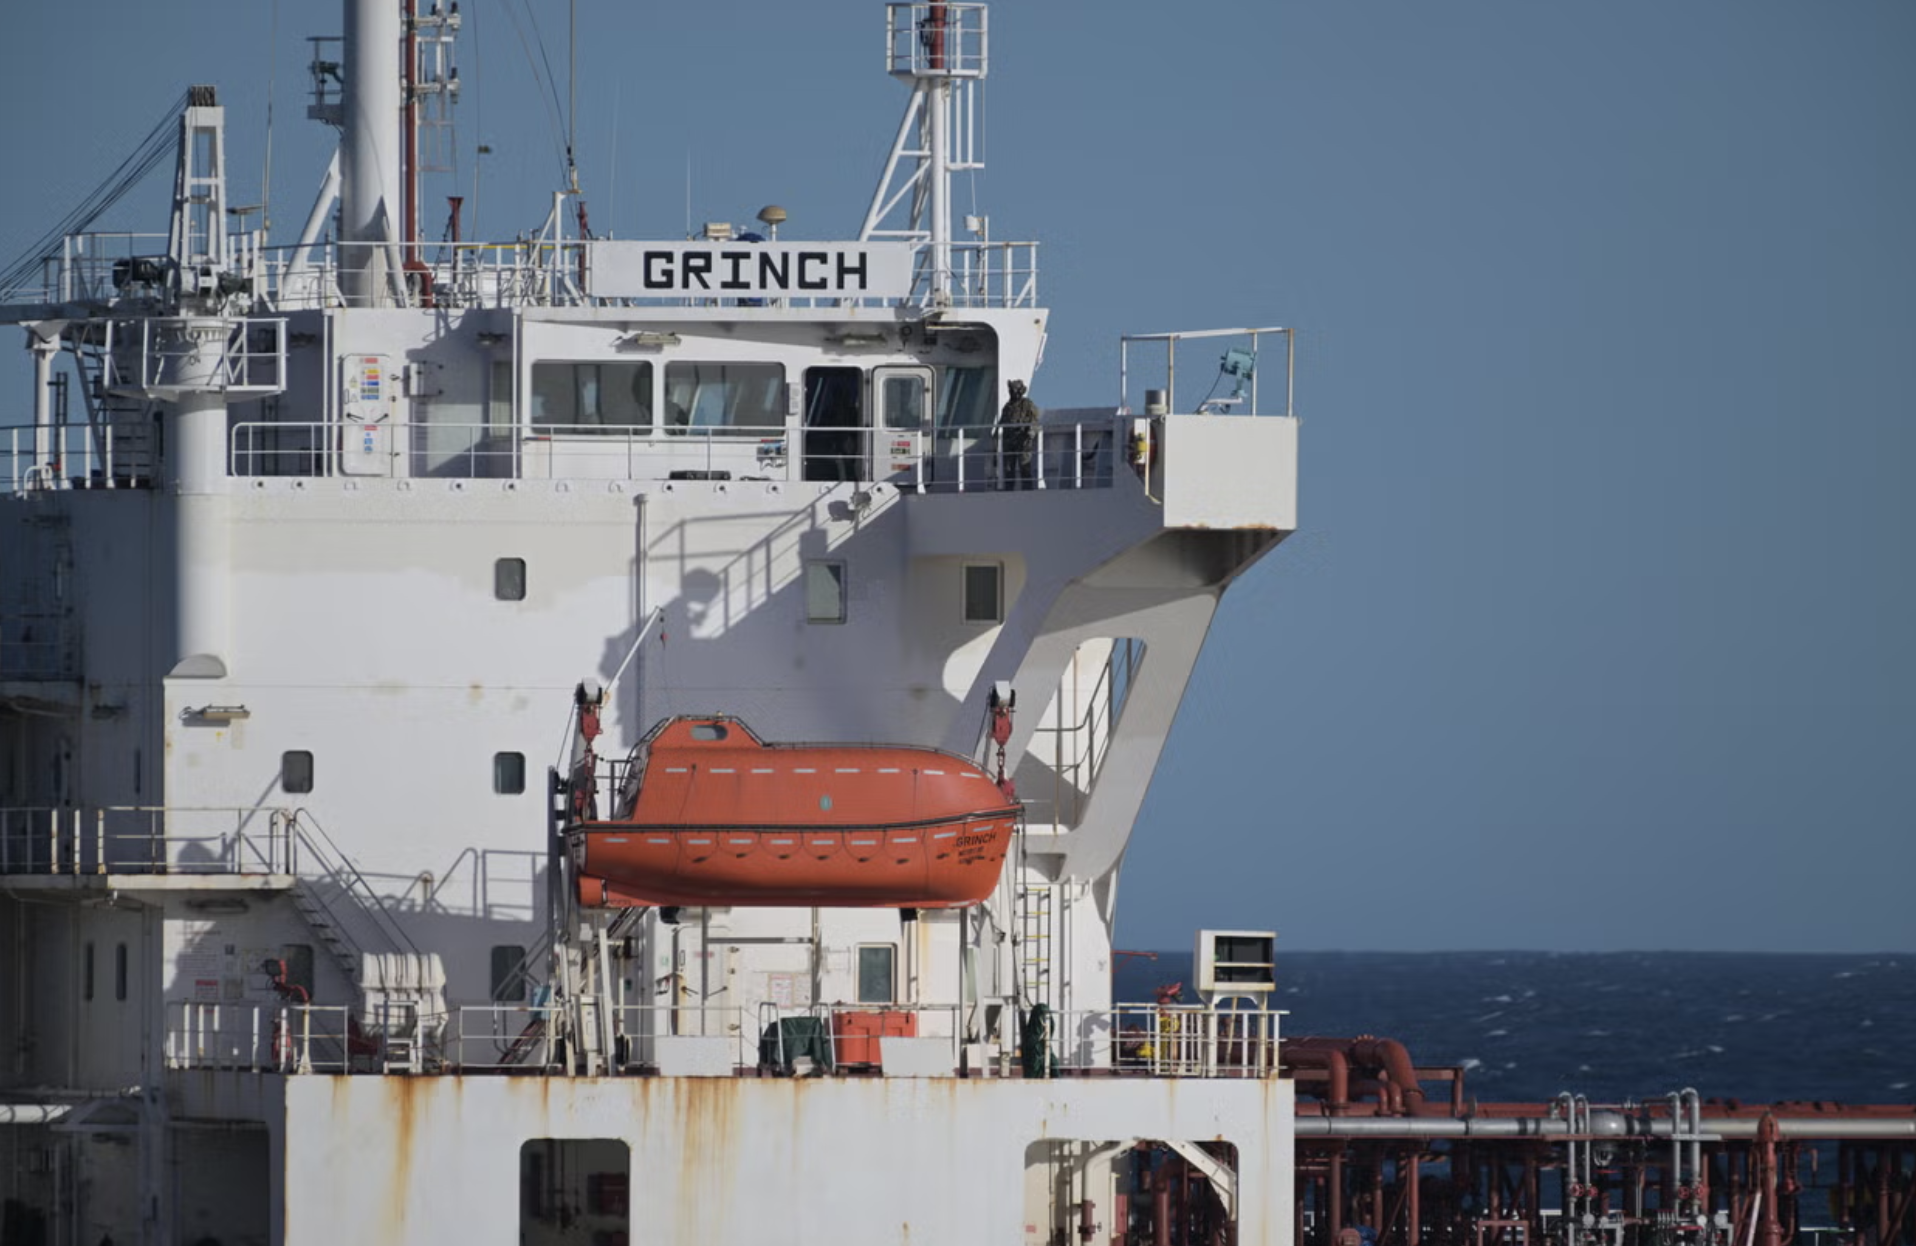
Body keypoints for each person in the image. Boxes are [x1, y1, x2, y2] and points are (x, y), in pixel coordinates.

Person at [998, 379, 1040, 490]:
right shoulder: (1007, 408)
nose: (1011, 392)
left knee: (1024, 467)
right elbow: (1001, 424)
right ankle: (1009, 491)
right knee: (1008, 469)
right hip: (1009, 442)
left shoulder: (1027, 404)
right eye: (1010, 390)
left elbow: (1035, 420)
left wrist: (1031, 431)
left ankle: (1027, 492)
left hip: (1023, 441)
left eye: (1014, 390)